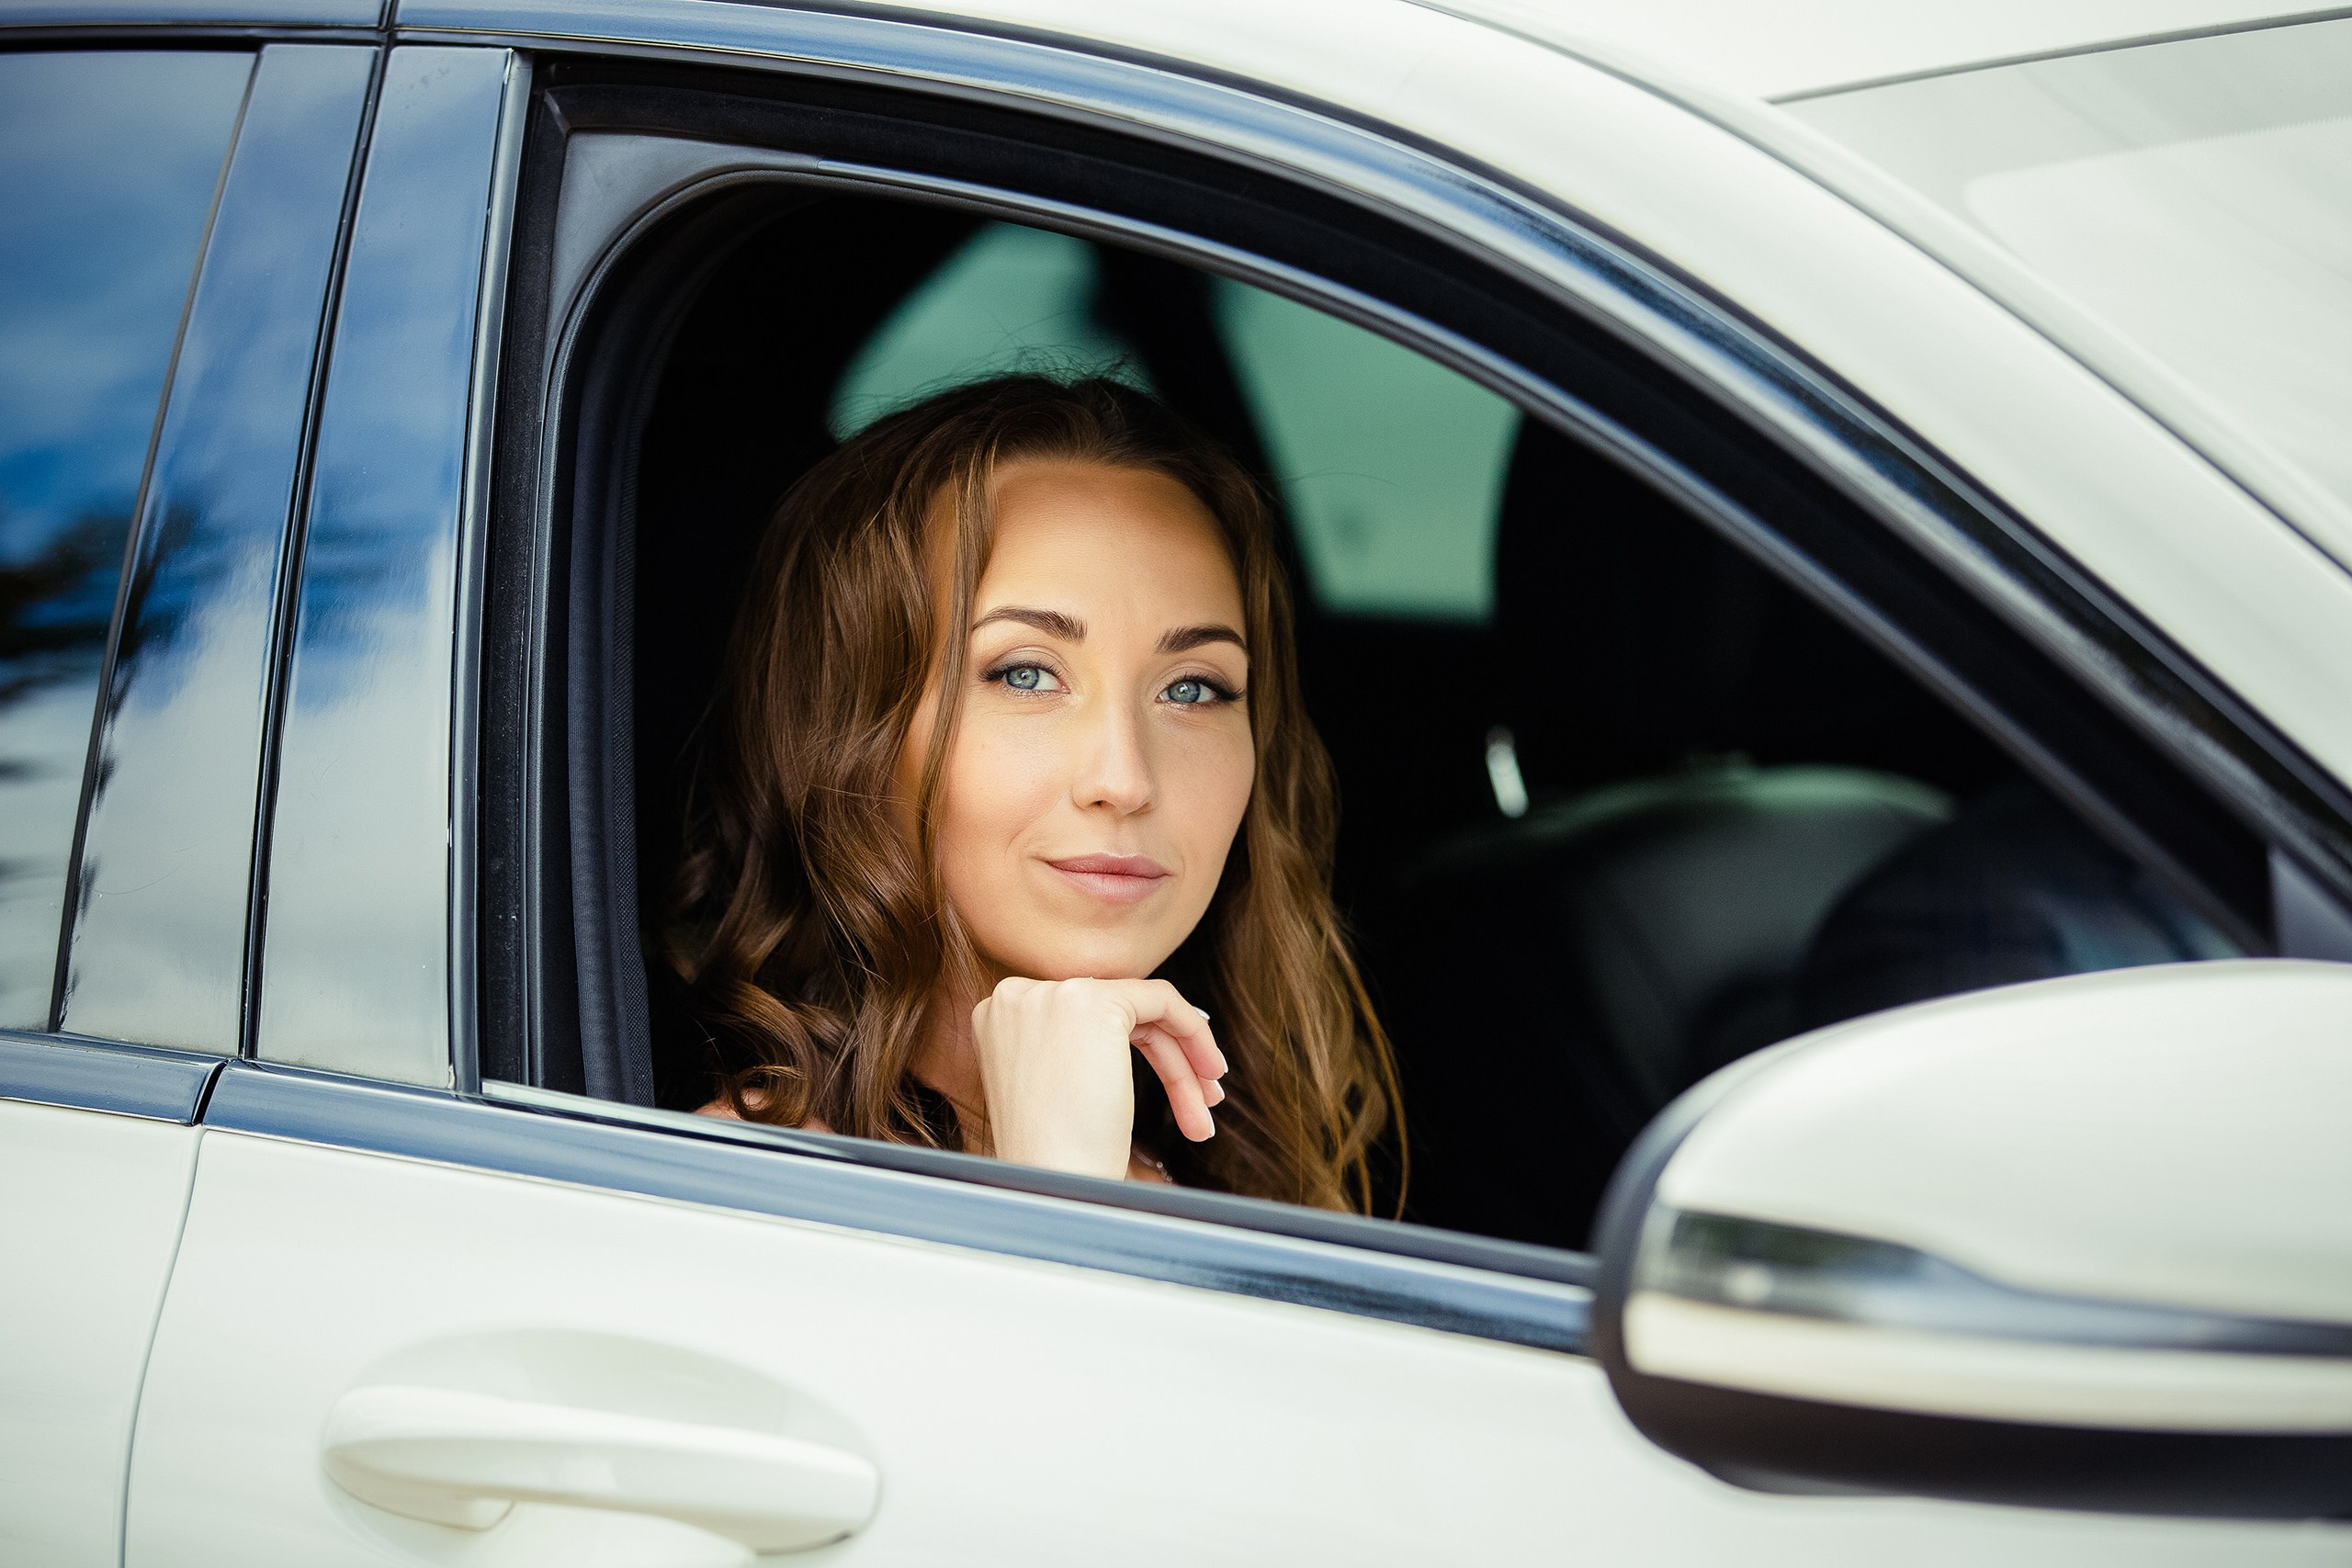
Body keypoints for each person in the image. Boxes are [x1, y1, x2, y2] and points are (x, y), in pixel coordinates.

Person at [668, 375, 1398, 1212]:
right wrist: (1054, 1194)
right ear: (847, 734)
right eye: (1026, 673)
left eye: (1193, 688)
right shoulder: (742, 1203)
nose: (1124, 780)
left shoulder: (1224, 1168)